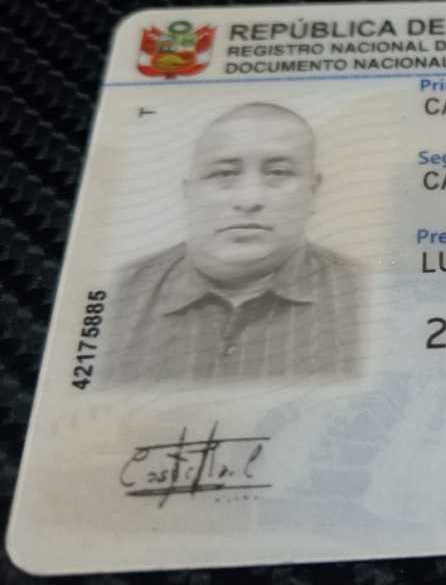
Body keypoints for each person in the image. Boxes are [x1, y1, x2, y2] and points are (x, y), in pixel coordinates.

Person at [106, 103, 361, 384]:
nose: (248, 200)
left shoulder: (366, 295)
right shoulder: (118, 294)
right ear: (189, 192)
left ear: (313, 191)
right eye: (224, 174)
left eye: (278, 173)